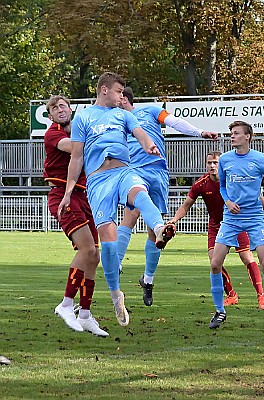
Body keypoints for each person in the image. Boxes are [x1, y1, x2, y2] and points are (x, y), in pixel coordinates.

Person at [57, 72, 176, 327]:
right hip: (99, 183)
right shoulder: (85, 117)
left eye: (123, 93)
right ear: (103, 90)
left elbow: (140, 132)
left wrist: (148, 145)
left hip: (123, 171)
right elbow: (76, 157)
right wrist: (68, 192)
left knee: (140, 193)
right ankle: (115, 295)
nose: (122, 96)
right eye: (118, 91)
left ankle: (158, 227)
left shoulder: (123, 114)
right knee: (108, 247)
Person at [117, 87, 218, 306]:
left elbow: (174, 122)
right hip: (134, 172)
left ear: (124, 98)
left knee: (155, 234)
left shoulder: (151, 110)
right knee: (131, 215)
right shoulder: (115, 121)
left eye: (117, 97)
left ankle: (148, 280)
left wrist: (200, 132)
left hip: (158, 172)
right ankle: (115, 263)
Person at [168, 151, 264, 310]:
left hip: (237, 222)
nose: (212, 166)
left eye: (216, 163)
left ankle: (261, 296)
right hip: (216, 226)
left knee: (247, 257)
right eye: (209, 163)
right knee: (214, 262)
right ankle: (231, 294)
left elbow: (257, 196)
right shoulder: (201, 184)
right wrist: (174, 220)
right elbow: (186, 205)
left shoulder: (233, 178)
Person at [208, 121, 264, 333]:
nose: (232, 137)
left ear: (247, 136)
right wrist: (227, 202)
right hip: (231, 219)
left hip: (254, 218)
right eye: (231, 133)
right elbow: (223, 186)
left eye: (236, 133)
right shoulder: (225, 159)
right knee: (215, 264)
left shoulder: (260, 159)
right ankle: (219, 311)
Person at [43, 95, 108, 337]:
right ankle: (67, 303)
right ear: (50, 116)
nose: (60, 110)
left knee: (94, 256)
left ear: (70, 109)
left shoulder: (78, 128)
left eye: (62, 106)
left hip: (83, 196)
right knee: (86, 251)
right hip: (63, 195)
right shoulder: (53, 134)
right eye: (54, 108)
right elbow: (75, 148)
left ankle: (86, 314)